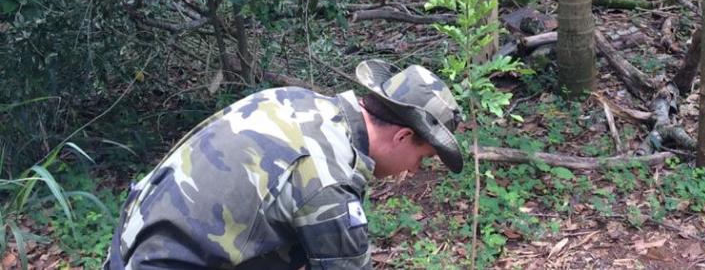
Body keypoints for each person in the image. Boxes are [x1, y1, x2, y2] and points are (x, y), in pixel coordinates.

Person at [104, 59, 463, 269]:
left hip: (128, 245)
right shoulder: (328, 180)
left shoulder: (299, 101)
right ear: (402, 137)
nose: (414, 171)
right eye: (422, 158)